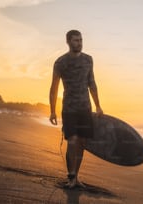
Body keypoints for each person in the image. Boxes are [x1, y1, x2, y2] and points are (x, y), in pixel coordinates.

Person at [49, 30, 103, 188]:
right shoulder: (60, 62)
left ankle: (76, 176)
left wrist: (98, 105)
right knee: (72, 141)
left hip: (85, 108)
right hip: (69, 108)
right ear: (68, 42)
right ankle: (71, 176)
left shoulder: (88, 60)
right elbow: (53, 88)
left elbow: (92, 83)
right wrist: (52, 110)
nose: (79, 43)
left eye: (80, 40)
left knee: (82, 143)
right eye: (75, 40)